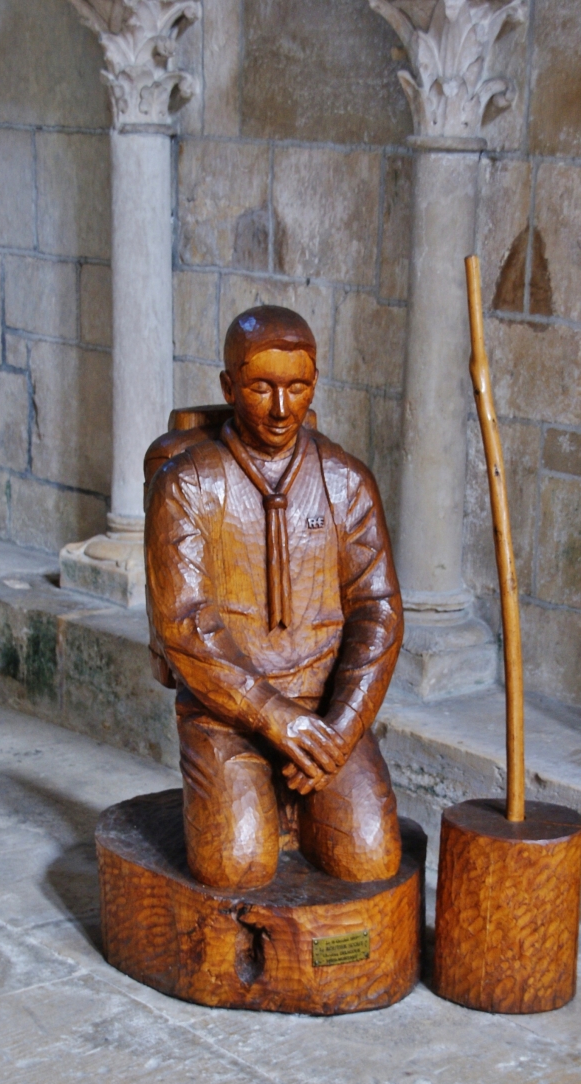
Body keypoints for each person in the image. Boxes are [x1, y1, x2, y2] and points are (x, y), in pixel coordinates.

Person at [145, 305, 403, 890]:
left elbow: (379, 610)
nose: (282, 408)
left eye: (298, 387)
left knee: (370, 858)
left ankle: (301, 813)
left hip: (324, 713)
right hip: (227, 716)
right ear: (228, 386)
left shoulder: (345, 482)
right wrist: (271, 715)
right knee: (236, 869)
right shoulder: (188, 485)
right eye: (261, 387)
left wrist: (341, 726)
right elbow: (183, 623)